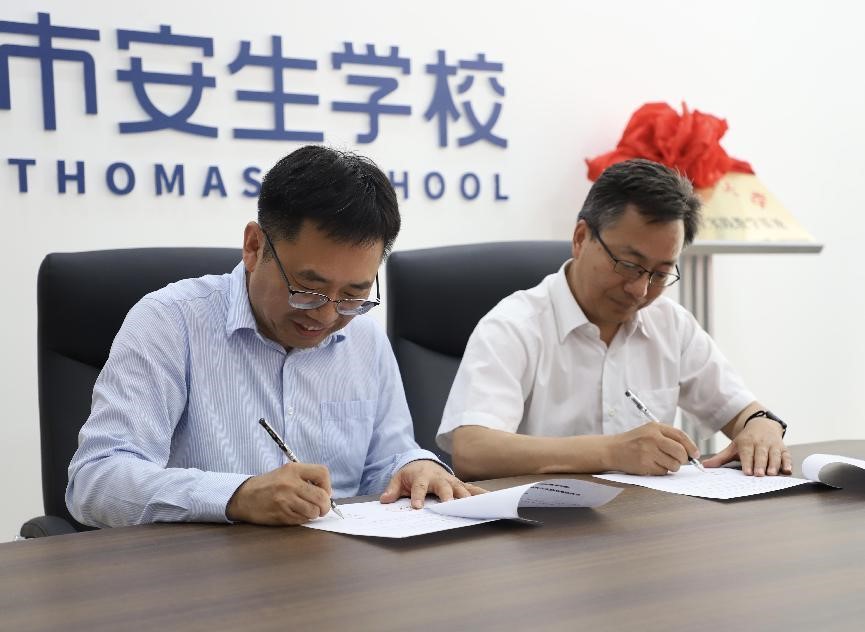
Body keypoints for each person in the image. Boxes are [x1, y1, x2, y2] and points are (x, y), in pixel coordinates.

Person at [67, 145, 483, 528]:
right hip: (202, 573)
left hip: (337, 568)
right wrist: (235, 496)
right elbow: (96, 481)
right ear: (253, 247)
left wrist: (415, 466)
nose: (326, 314)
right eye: (308, 288)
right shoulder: (170, 323)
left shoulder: (366, 340)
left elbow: (387, 460)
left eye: (353, 295)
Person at [438, 159, 792, 481]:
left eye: (660, 274)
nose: (640, 289)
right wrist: (611, 451)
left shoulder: (670, 323)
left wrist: (759, 426)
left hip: (645, 520)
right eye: (628, 265)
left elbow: (741, 410)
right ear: (581, 238)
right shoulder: (514, 325)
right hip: (541, 524)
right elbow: (473, 451)